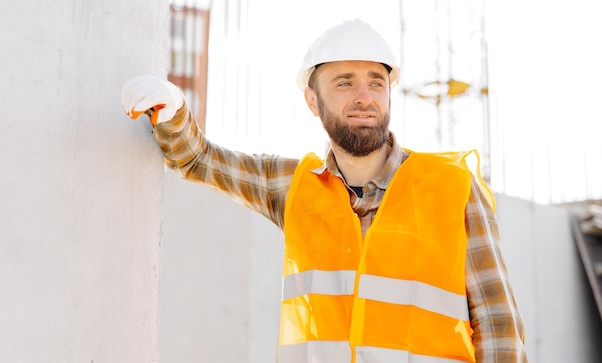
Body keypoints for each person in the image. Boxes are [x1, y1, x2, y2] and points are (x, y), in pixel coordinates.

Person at [121, 18, 527, 363]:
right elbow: (199, 160)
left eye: (376, 82)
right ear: (312, 101)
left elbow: (497, 323)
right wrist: (173, 111)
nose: (365, 97)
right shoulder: (295, 186)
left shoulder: (451, 185)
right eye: (345, 83)